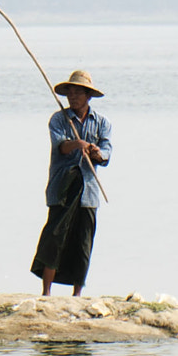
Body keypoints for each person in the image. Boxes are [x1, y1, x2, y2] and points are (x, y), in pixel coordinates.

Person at [31, 69, 112, 296]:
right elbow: (61, 147)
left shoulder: (101, 123)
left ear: (88, 96)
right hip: (63, 189)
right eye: (70, 93)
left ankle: (77, 294)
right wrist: (78, 144)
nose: (73, 97)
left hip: (88, 191)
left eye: (78, 93)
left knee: (82, 242)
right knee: (54, 238)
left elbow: (106, 154)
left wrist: (95, 152)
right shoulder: (59, 120)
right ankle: (46, 292)